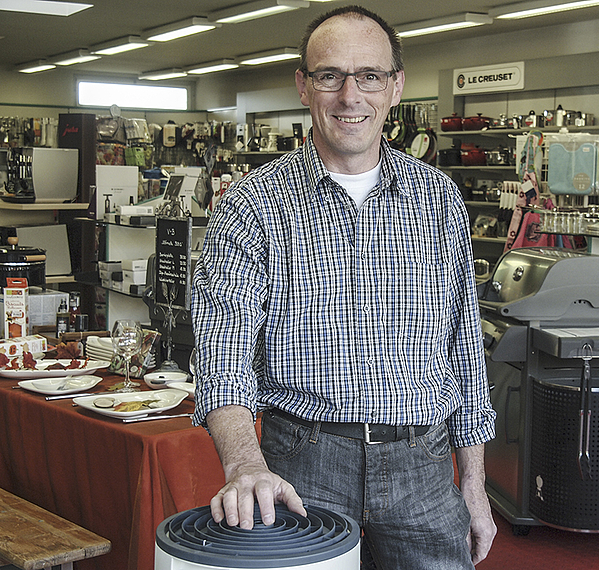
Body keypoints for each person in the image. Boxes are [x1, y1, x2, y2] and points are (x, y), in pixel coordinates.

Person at [191, 5, 497, 568]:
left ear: (396, 87)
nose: (350, 95)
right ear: (304, 87)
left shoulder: (439, 200)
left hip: (424, 469)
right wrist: (243, 464)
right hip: (302, 465)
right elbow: (222, 349)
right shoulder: (252, 205)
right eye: (330, 75)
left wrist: (474, 485)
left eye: (370, 76)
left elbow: (464, 354)